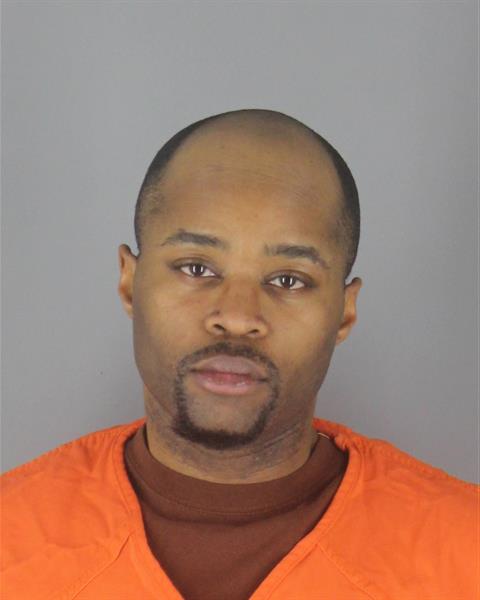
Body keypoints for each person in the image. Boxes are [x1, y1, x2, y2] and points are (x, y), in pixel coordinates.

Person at [1, 109, 477, 600]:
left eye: (288, 279)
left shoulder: (466, 553)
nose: (237, 316)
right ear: (129, 283)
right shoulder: (10, 537)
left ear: (344, 312)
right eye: (196, 268)